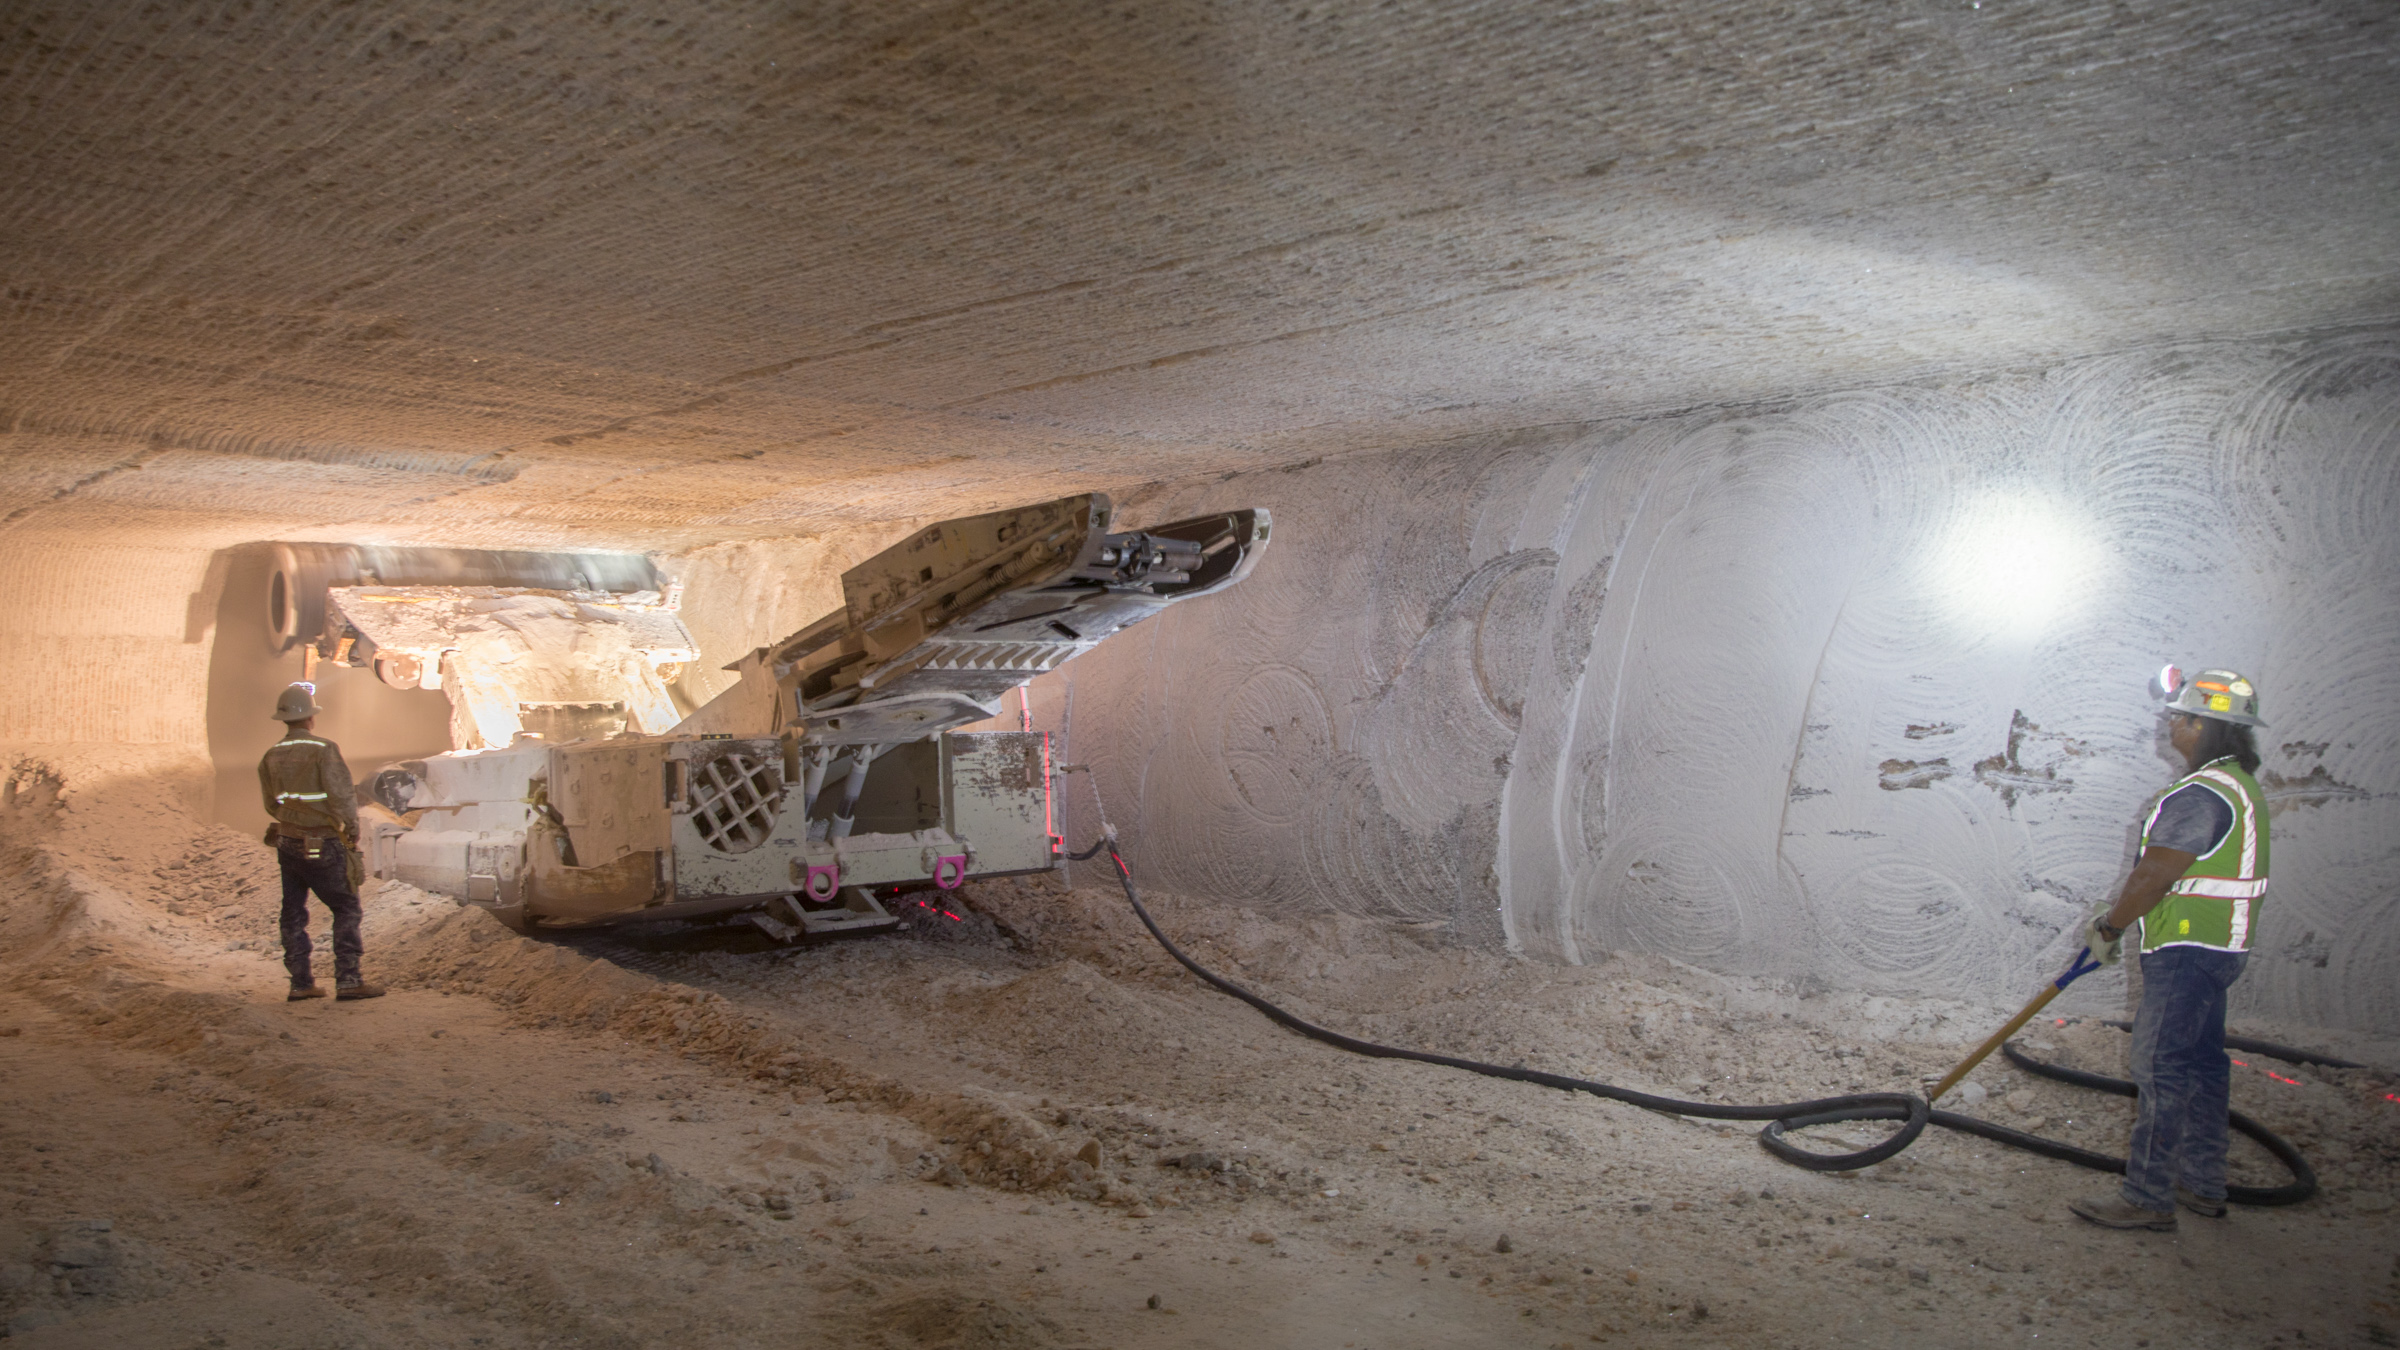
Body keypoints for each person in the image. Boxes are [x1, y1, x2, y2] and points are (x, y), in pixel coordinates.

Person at [2069, 667, 2269, 1231]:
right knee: (2203, 1065)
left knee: (2159, 1068)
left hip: (2186, 950)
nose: (2172, 729)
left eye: (2179, 719)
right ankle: (2202, 1184)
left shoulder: (2201, 795)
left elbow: (2154, 874)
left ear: (2206, 727)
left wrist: (2109, 928)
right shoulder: (2240, 786)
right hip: (2219, 947)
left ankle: (2148, 1198)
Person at [258, 682, 384, 1002]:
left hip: (287, 841)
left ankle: (301, 983)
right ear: (310, 719)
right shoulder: (323, 749)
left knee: (293, 911)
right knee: (345, 907)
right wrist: (352, 826)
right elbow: (342, 794)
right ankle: (349, 979)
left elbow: (271, 805)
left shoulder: (270, 756)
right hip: (318, 842)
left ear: (284, 720)